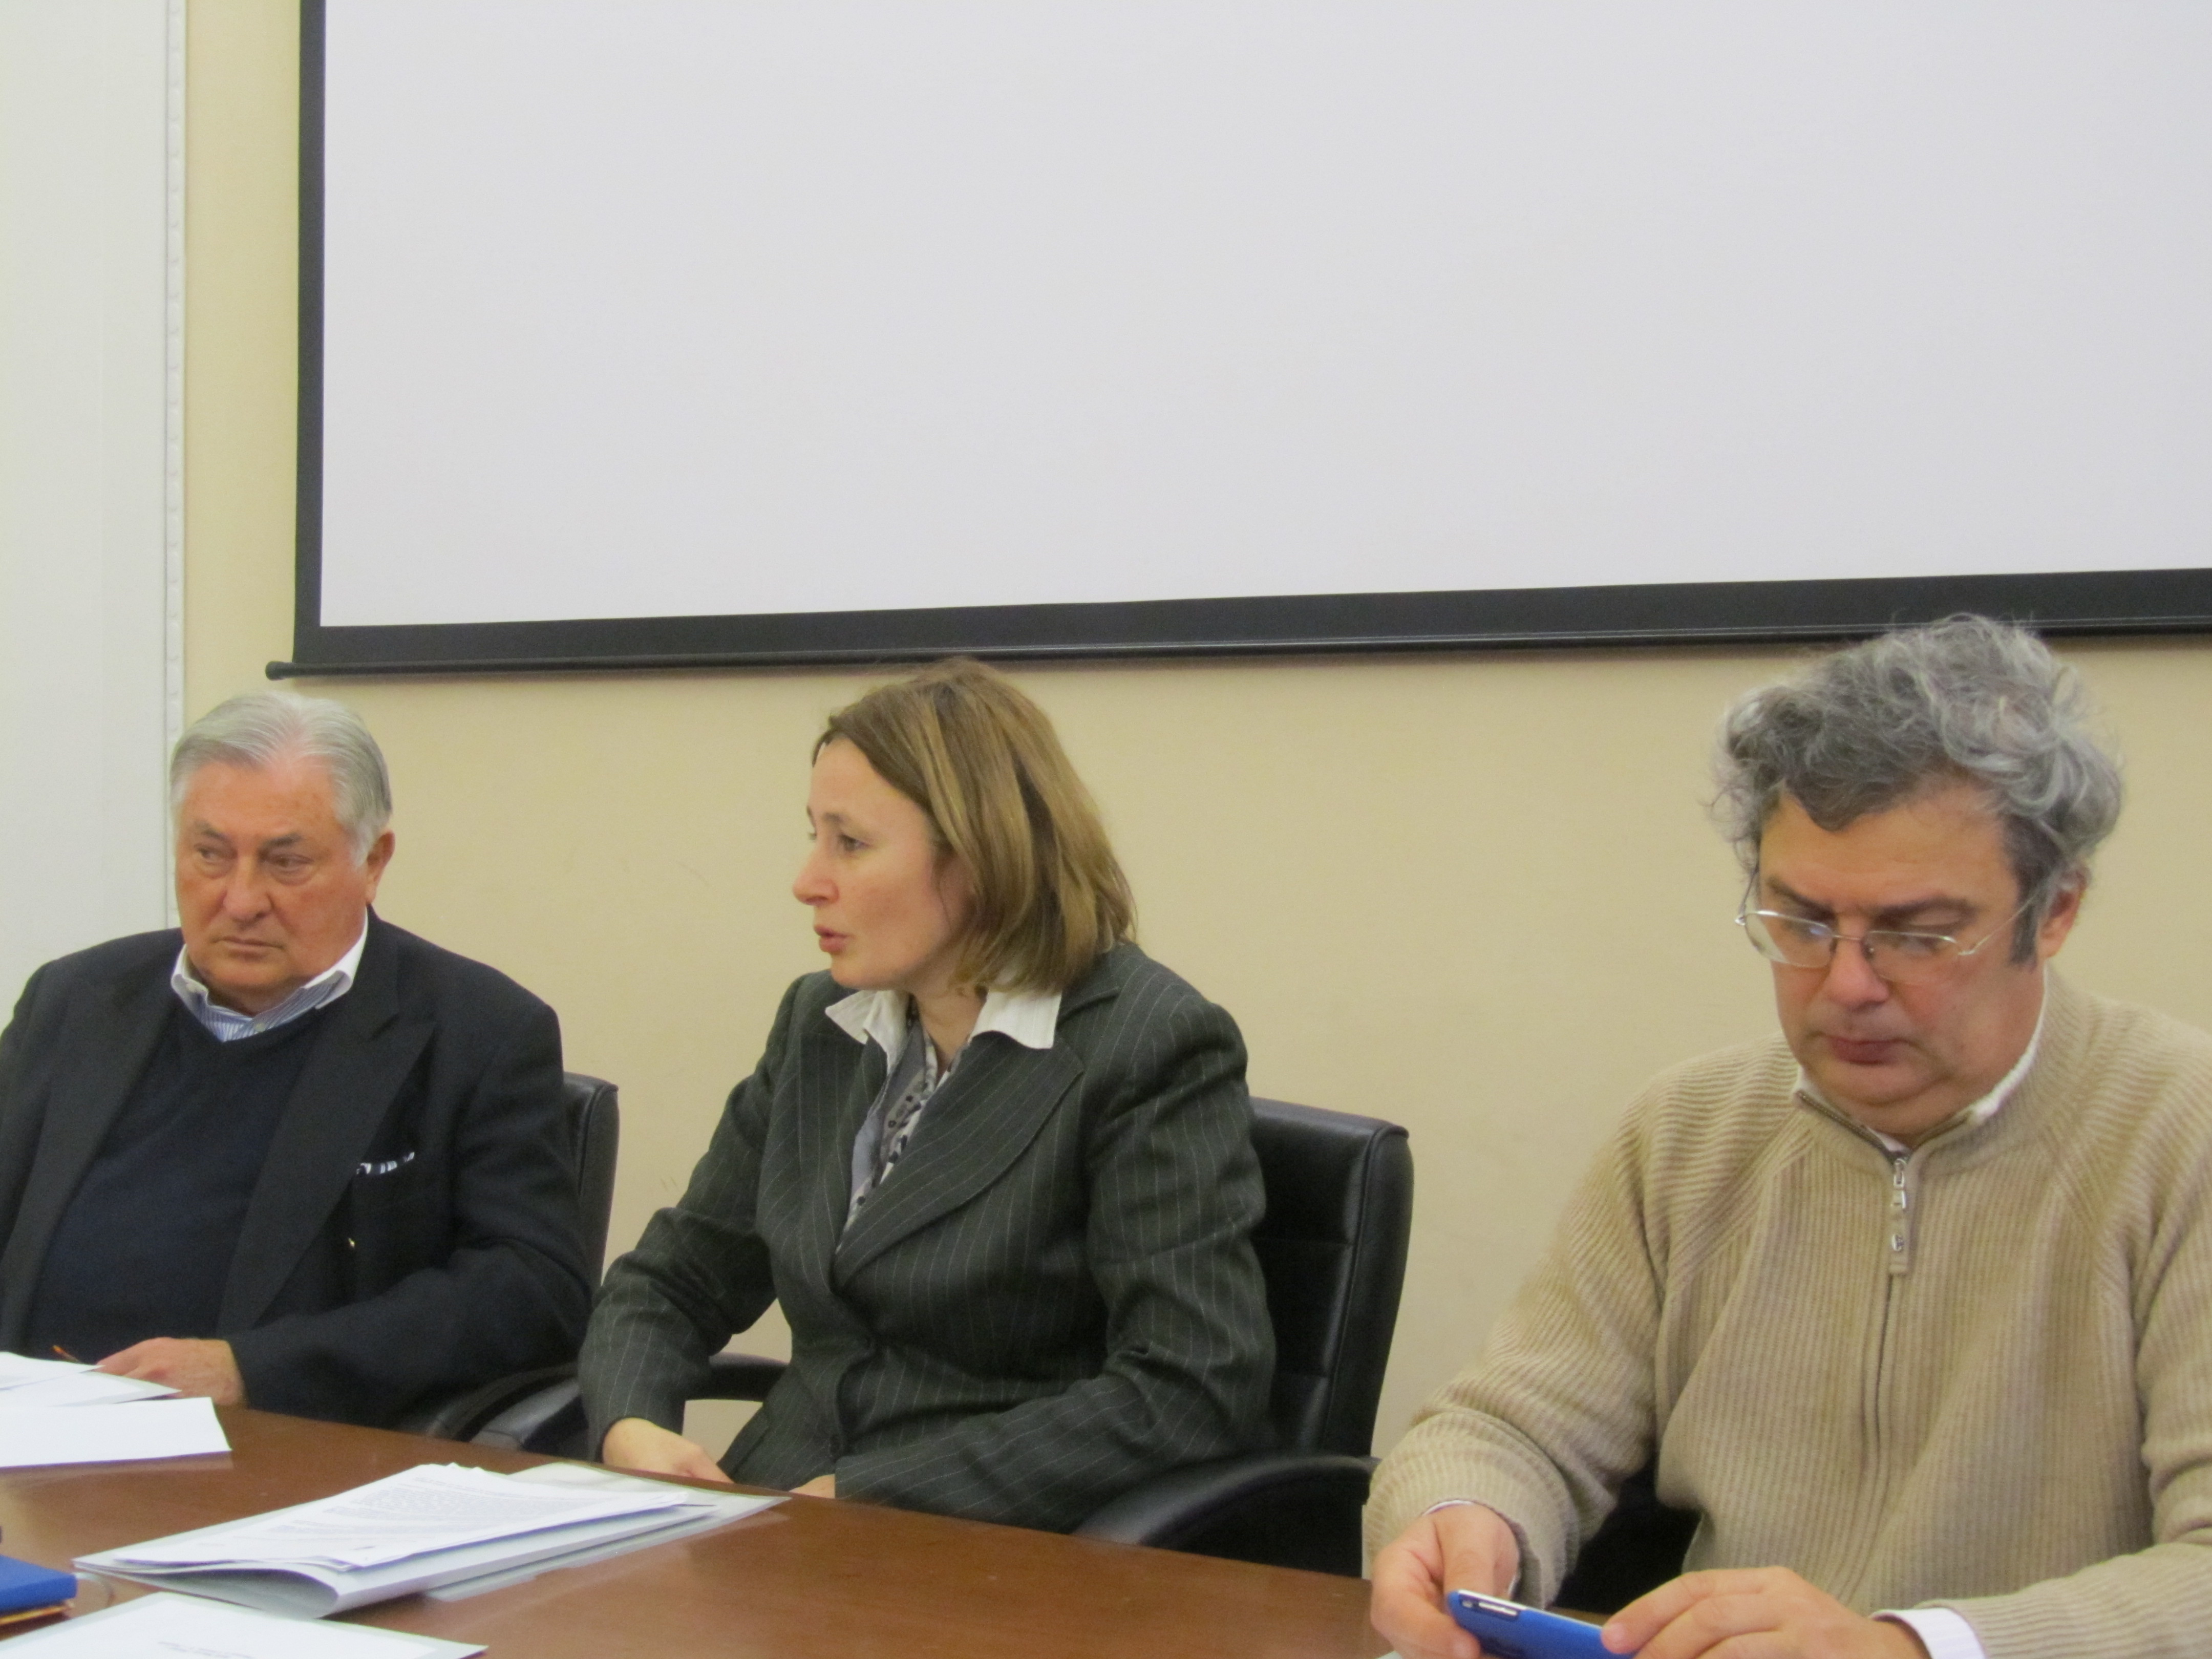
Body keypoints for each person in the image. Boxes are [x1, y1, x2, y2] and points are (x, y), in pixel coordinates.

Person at [1368, 615, 2212, 1659]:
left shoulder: (2182, 1134)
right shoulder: (1690, 1133)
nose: (1848, 984)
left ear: (2055, 912)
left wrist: (1911, 1649)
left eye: (1916, 934)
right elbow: (1508, 1425)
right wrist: (1460, 1516)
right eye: (1802, 924)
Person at [579, 657, 1273, 1530]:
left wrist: (872, 1495)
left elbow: (1191, 1383)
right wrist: (634, 1425)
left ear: (980, 857)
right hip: (773, 1517)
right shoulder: (821, 1024)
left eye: (850, 843)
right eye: (814, 836)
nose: (807, 880)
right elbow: (674, 1279)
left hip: (980, 1541)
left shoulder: (1147, 1043)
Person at [0, 691, 589, 1426]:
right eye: (211, 855)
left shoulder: (478, 1033)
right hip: (33, 1432)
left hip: (276, 1446)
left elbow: (534, 1290)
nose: (241, 900)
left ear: (373, 862)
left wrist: (253, 1371)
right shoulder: (76, 1001)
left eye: (285, 863)